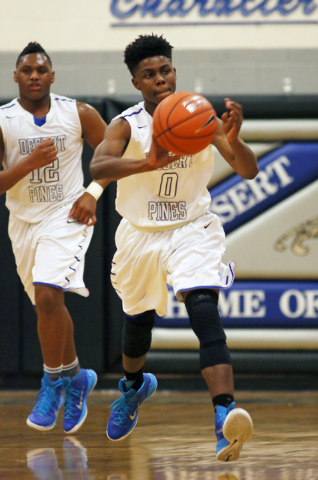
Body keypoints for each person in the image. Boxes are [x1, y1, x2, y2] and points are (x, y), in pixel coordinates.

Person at [90, 34, 258, 461]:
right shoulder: (125, 124)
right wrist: (147, 162)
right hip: (140, 233)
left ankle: (224, 417)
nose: (160, 79)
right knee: (138, 323)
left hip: (192, 227)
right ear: (136, 82)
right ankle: (132, 388)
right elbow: (98, 166)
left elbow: (248, 170)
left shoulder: (200, 116)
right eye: (149, 74)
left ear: (174, 72)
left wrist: (234, 140)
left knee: (203, 305)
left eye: (165, 70)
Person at [0, 42, 109, 433]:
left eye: (41, 70)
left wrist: (92, 193)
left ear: (52, 76)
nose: (34, 75)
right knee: (47, 307)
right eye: (26, 70)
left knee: (48, 294)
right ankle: (76, 375)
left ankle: (52, 382)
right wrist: (28, 163)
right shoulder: (3, 120)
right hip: (23, 223)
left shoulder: (78, 113)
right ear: (15, 76)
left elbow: (115, 156)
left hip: (67, 217)